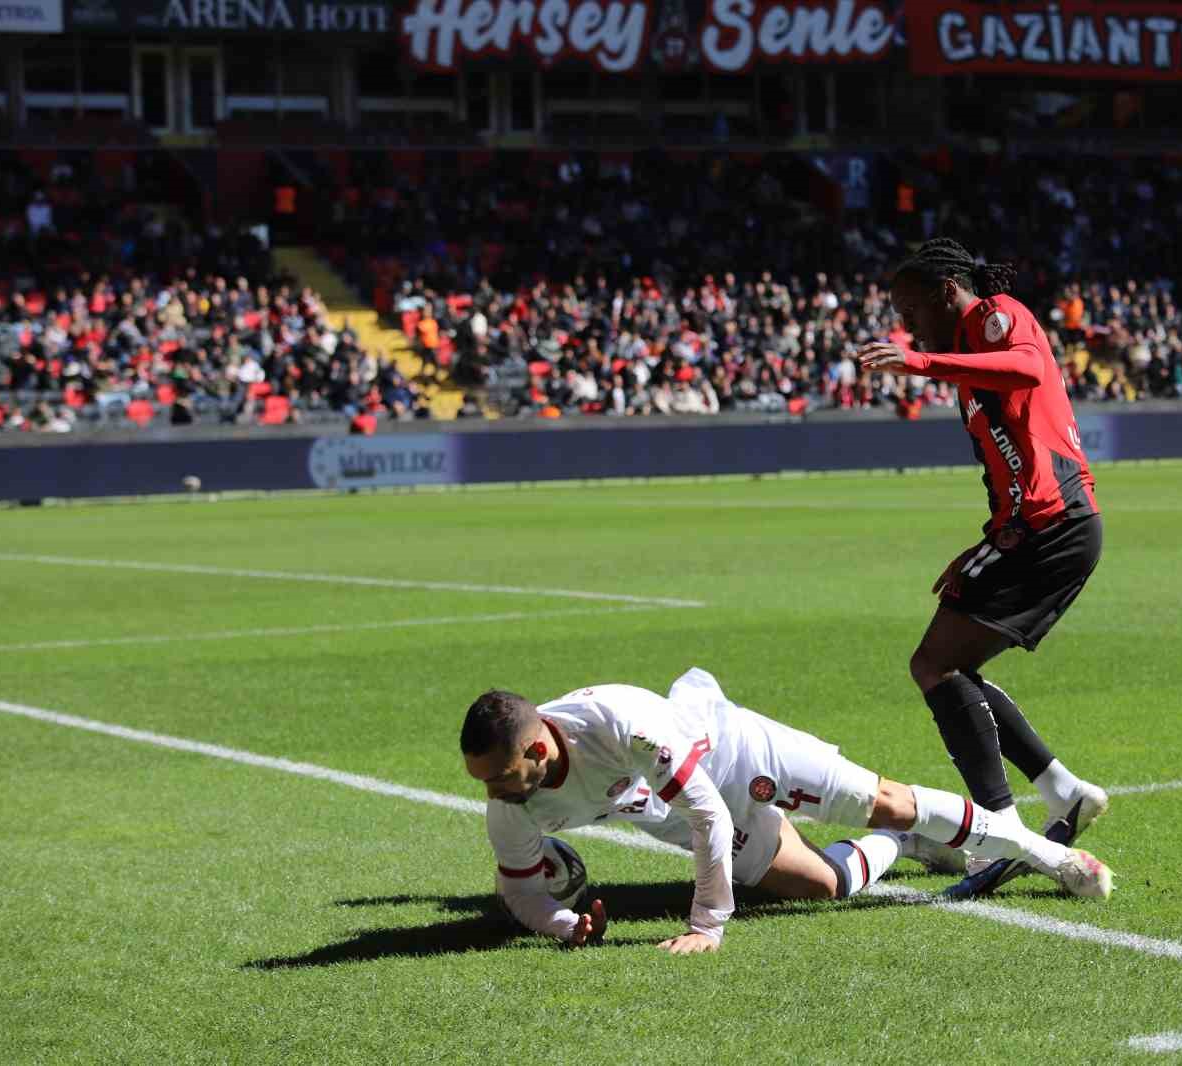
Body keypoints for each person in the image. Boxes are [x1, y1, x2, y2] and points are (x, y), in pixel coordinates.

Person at [460, 668, 1114, 953]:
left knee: (881, 801)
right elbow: (521, 893)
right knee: (824, 886)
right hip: (680, 808)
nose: (492, 791)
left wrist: (708, 922)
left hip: (743, 758)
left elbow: (711, 815)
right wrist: (563, 924)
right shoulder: (510, 804)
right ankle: (913, 846)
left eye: (500, 776)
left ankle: (1048, 854)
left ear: (539, 747)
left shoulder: (620, 722)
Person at [853, 238, 1109, 881]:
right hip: (1032, 527)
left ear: (947, 291)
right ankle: (1061, 792)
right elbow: (1010, 462)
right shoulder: (968, 355)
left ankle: (1003, 829)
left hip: (1054, 523)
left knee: (935, 664)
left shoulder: (994, 316)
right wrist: (987, 541)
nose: (907, 324)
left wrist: (921, 362)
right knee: (949, 664)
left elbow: (1029, 367)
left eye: (912, 308)